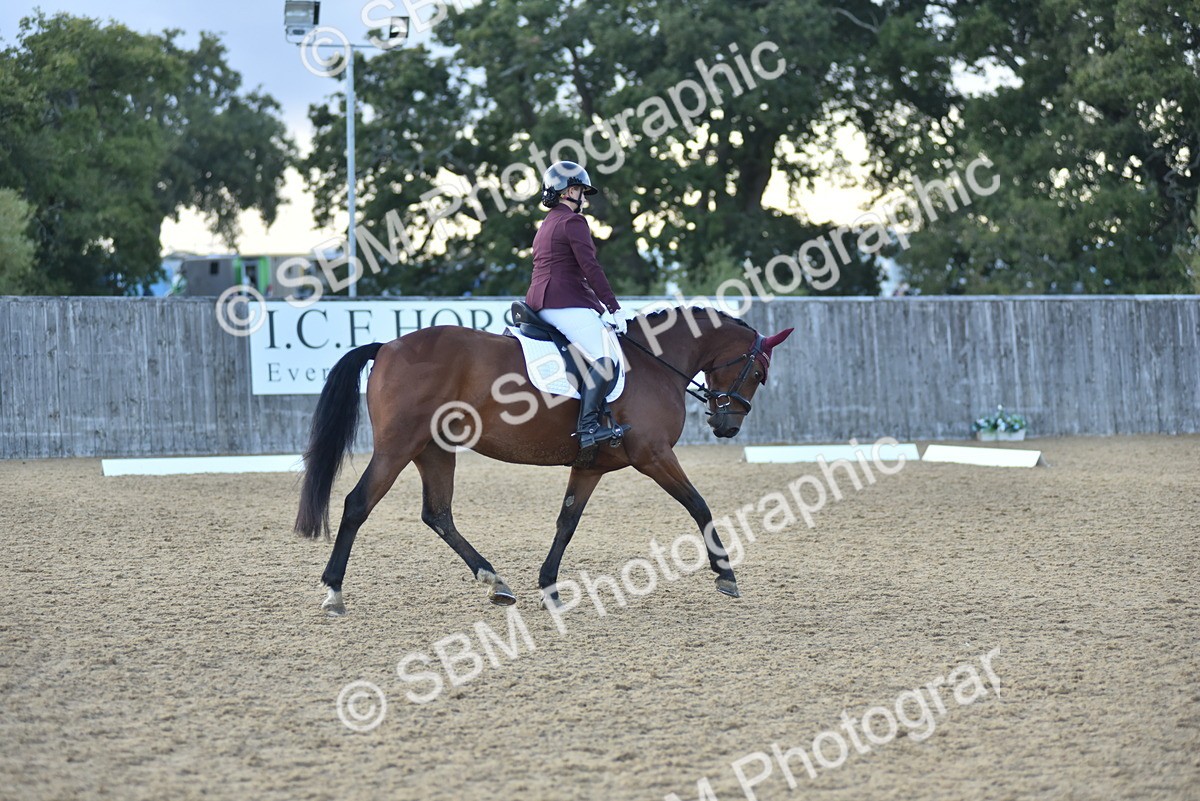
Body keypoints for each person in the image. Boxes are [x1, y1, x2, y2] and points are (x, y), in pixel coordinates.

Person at [526, 160, 630, 450]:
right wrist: (613, 307)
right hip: (563, 302)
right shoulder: (573, 222)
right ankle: (587, 429)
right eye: (581, 190)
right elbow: (591, 267)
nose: (584, 197)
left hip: (539, 302)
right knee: (606, 360)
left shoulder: (546, 224)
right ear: (567, 191)